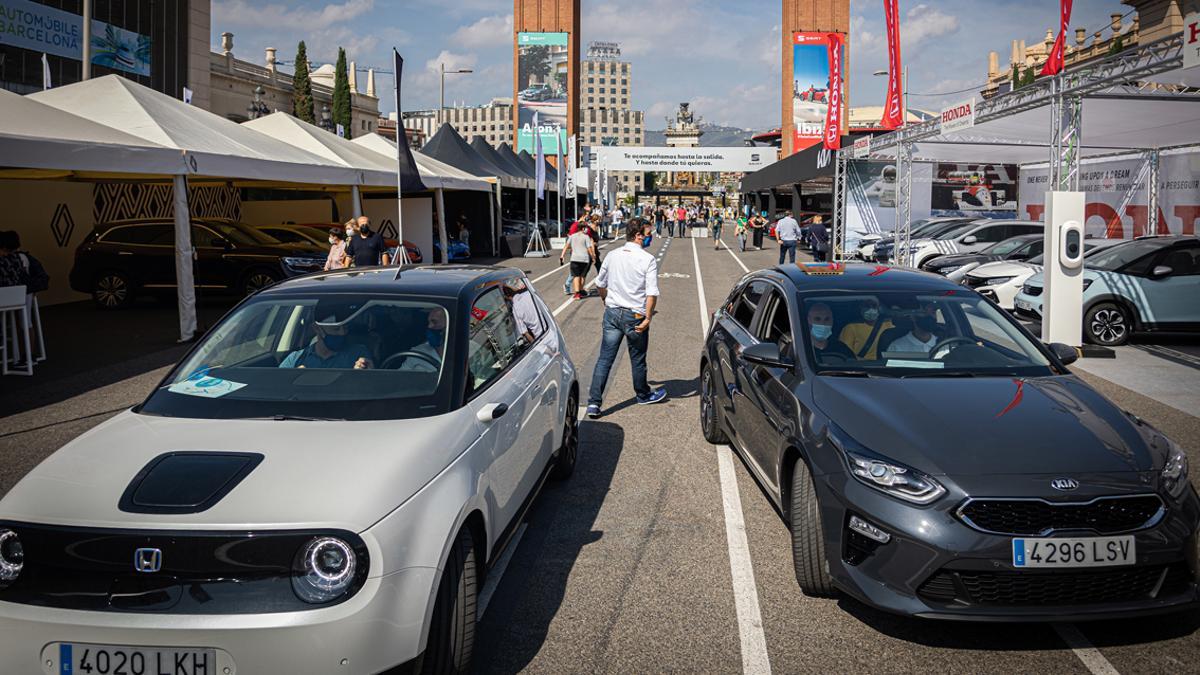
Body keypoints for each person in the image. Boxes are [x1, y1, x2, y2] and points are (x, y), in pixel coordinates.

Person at [586, 219, 668, 417]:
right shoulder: (647, 259)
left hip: (613, 312)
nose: (651, 236)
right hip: (635, 315)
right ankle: (642, 394)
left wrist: (606, 301)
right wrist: (648, 317)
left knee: (605, 359)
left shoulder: (612, 255)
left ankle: (594, 403)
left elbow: (599, 283)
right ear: (638, 235)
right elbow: (651, 293)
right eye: (649, 233)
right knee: (638, 359)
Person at [280, 316, 372, 369]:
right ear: (317, 329)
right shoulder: (295, 359)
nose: (342, 333)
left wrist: (364, 373)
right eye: (336, 329)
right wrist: (293, 378)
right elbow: (277, 385)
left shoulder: (358, 354)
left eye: (345, 328)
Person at [560, 220, 597, 300]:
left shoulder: (572, 236)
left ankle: (577, 293)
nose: (587, 229)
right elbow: (589, 248)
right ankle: (580, 290)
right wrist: (593, 257)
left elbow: (566, 246)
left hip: (574, 259)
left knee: (576, 276)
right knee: (582, 276)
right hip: (584, 259)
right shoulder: (586, 237)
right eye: (586, 228)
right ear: (583, 228)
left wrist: (562, 256)